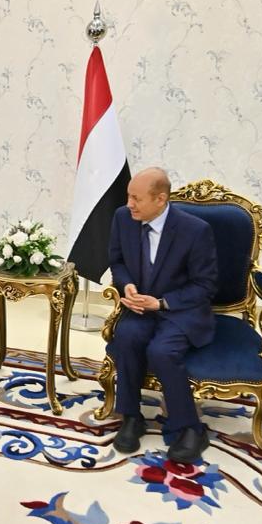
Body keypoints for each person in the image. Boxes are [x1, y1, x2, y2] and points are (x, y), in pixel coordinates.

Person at [106, 167, 218, 463]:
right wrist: (126, 285)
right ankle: (132, 417)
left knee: (162, 351)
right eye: (129, 196)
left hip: (179, 310)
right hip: (140, 306)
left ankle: (191, 428)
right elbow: (117, 261)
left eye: (136, 198)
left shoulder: (195, 230)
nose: (129, 204)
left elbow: (205, 286)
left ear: (160, 199)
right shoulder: (122, 218)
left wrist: (161, 303)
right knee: (126, 336)